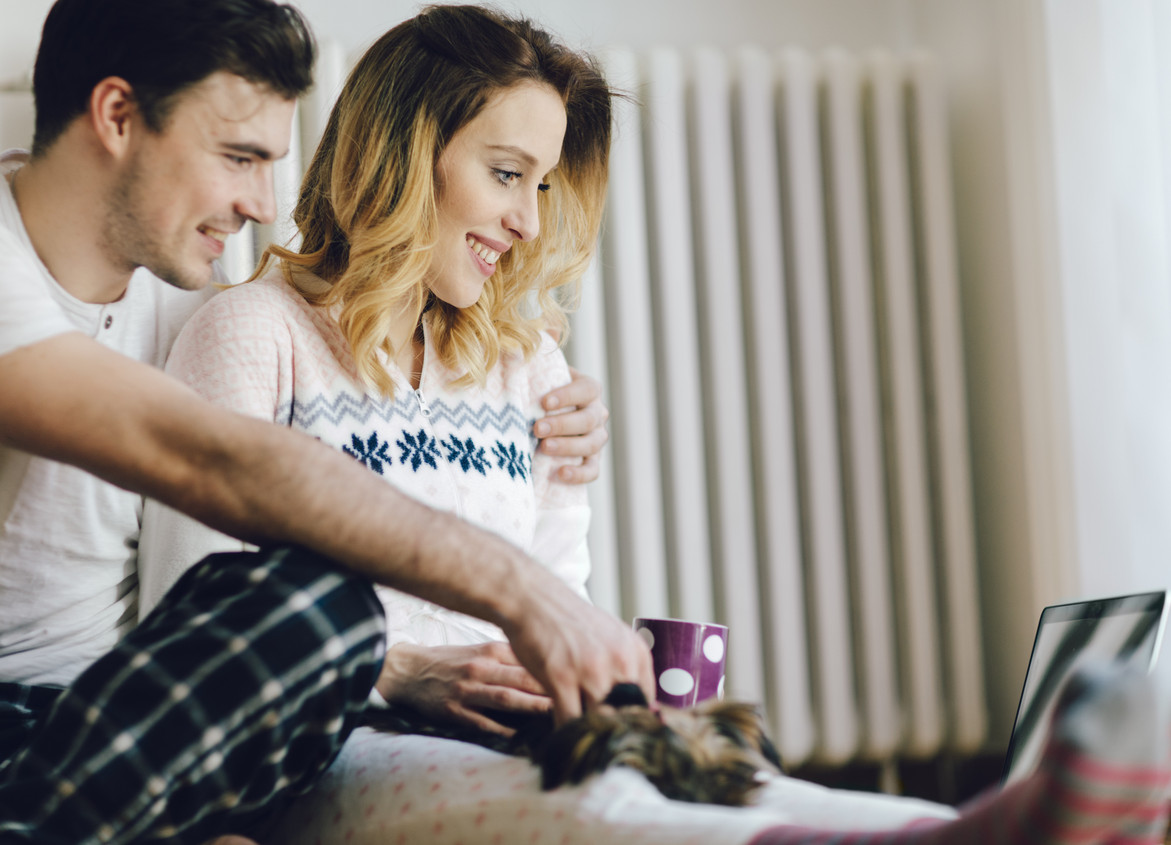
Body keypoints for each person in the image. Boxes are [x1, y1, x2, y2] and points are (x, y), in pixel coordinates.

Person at [137, 5, 1171, 845]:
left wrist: (602, 671)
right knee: (592, 806)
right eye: (506, 175)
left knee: (712, 775)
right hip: (328, 748)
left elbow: (557, 591)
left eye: (542, 186)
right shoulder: (251, 333)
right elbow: (191, 630)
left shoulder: (524, 367)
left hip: (514, 733)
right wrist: (407, 671)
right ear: (404, 153)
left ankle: (960, 829)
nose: (529, 220)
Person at [0, 0, 650, 842]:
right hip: (19, 715)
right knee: (321, 609)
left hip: (113, 713)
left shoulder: (177, 283)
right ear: (117, 116)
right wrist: (513, 597)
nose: (263, 204)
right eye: (238, 157)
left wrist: (550, 402)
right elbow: (219, 465)